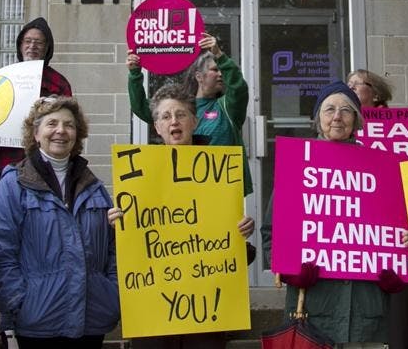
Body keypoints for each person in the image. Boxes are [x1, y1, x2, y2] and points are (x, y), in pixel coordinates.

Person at [110, 82, 256, 349]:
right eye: (165, 116)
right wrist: (117, 225)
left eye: (181, 114)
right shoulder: (137, 178)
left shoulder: (219, 173)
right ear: (157, 127)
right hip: (154, 310)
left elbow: (234, 252)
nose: (174, 121)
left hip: (206, 308)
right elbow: (130, 251)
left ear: (194, 121)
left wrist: (242, 232)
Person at [262, 81, 393, 347]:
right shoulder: (298, 165)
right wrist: (288, 269)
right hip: (313, 309)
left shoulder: (378, 167)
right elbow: (271, 232)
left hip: (364, 312)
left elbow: (393, 228)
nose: (337, 117)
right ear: (318, 118)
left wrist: (397, 266)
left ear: (356, 119)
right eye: (329, 109)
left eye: (346, 110)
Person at [0, 96, 119, 349]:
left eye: (69, 125)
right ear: (36, 133)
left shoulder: (95, 188)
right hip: (36, 323)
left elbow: (113, 251)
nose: (61, 130)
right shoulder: (13, 186)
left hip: (92, 320)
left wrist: (112, 294)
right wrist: (19, 303)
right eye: (52, 123)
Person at [349, 68, 408, 349]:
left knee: (399, 321)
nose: (350, 88)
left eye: (357, 84)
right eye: (347, 84)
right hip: (362, 237)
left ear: (376, 93)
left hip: (398, 235)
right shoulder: (345, 131)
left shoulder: (401, 132)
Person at [128, 32, 252, 195]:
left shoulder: (227, 107)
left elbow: (238, 88)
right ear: (199, 76)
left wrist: (219, 56)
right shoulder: (182, 106)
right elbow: (141, 108)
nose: (221, 74)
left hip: (223, 193)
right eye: (215, 69)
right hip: (187, 190)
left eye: (222, 70)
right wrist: (135, 73)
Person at [0, 17, 73, 191]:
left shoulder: (58, 83)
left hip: (41, 168)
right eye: (27, 41)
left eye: (38, 42)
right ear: (20, 45)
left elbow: (68, 121)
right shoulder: (4, 77)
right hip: (1, 166)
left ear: (47, 48)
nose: (32, 46)